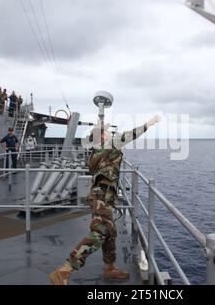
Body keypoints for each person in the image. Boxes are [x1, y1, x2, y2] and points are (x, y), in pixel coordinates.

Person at [49, 115, 161, 285]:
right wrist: (150, 123)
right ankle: (64, 270)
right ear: (102, 136)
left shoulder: (96, 152)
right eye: (107, 132)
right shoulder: (110, 145)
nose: (110, 133)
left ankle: (109, 268)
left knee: (110, 232)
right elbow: (131, 134)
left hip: (102, 196)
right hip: (102, 196)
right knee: (100, 233)